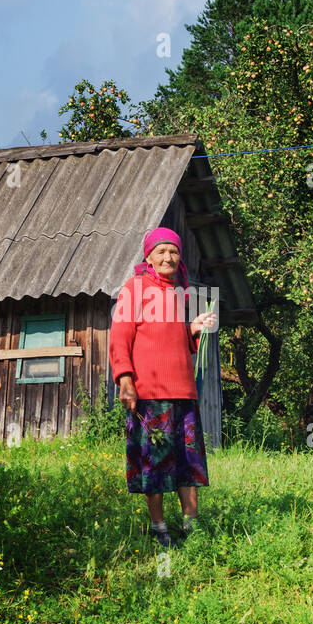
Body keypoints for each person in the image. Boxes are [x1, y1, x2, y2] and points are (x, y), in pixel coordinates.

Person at [109, 227, 217, 548]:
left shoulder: (177, 293)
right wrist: (125, 379)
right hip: (149, 395)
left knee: (188, 461)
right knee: (153, 462)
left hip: (183, 393)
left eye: (173, 251)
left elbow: (173, 341)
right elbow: (119, 336)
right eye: (161, 251)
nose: (168, 257)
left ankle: (190, 525)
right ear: (149, 257)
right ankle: (159, 528)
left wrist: (192, 329)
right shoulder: (134, 288)